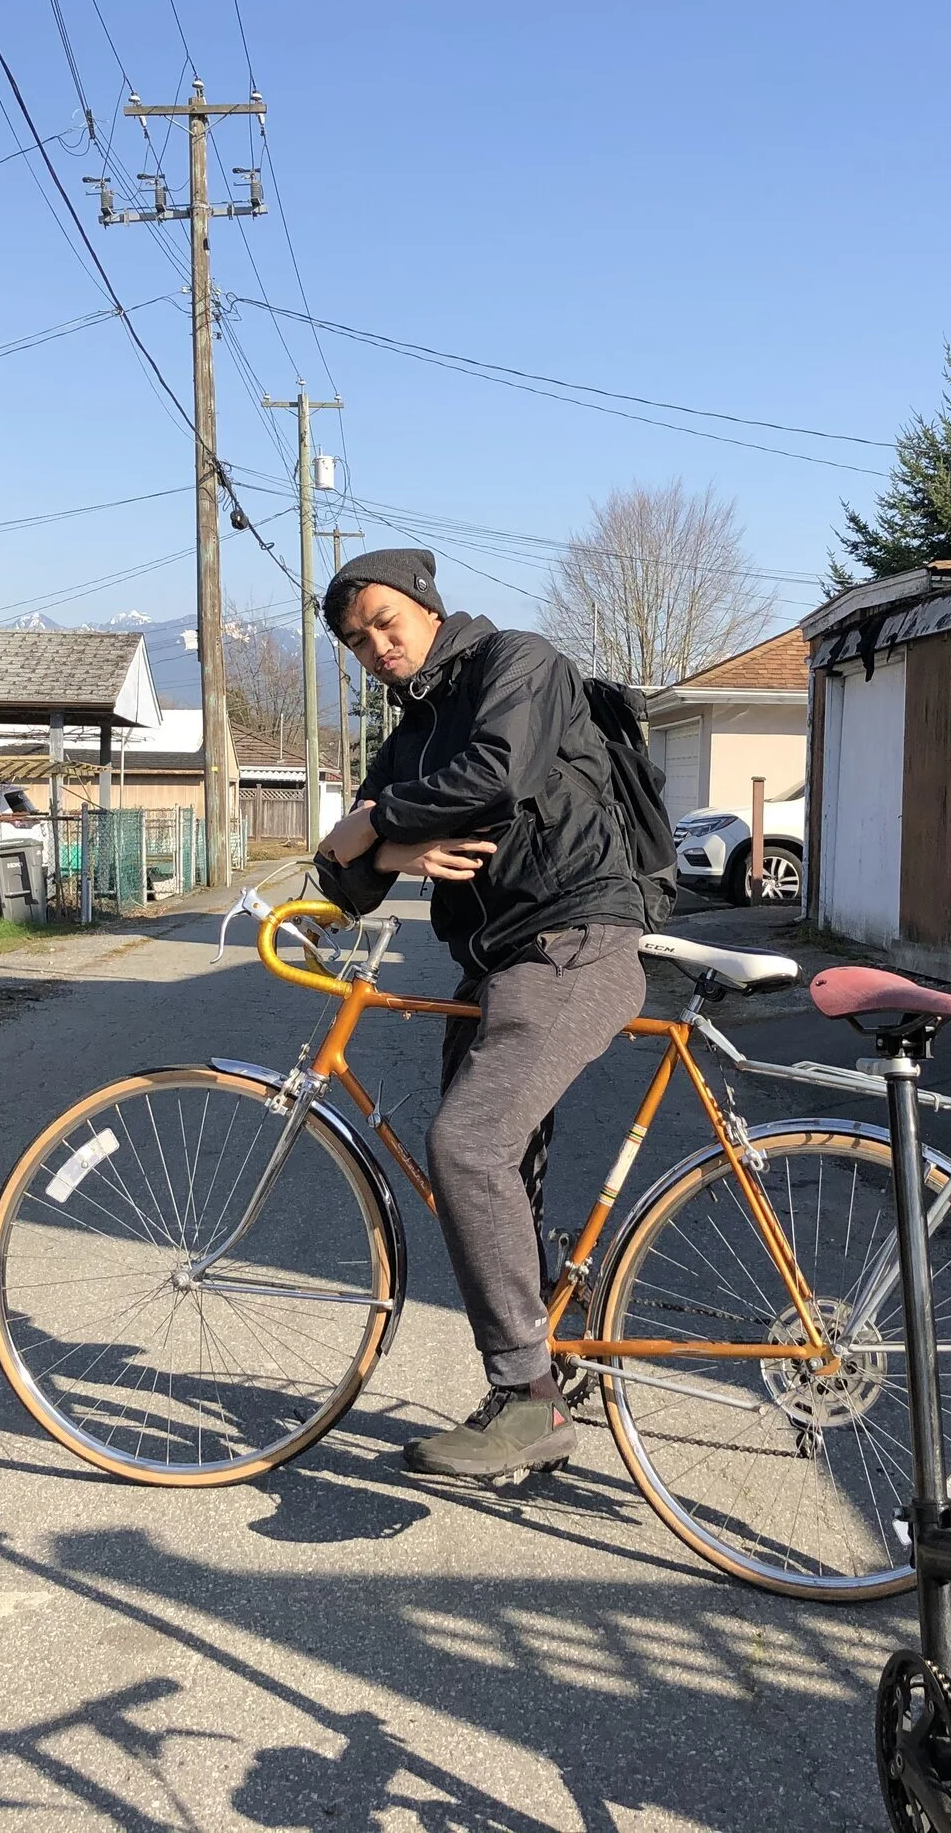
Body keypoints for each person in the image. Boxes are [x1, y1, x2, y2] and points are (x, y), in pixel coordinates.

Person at [313, 548, 649, 1482]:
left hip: (574, 937)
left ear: (427, 606)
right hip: (496, 961)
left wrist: (381, 829)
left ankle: (528, 1399)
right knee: (501, 1175)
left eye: (388, 622)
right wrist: (389, 854)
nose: (377, 645)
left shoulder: (519, 663)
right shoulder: (414, 727)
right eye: (357, 640)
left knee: (466, 1145)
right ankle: (546, 1358)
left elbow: (496, 773)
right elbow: (340, 875)